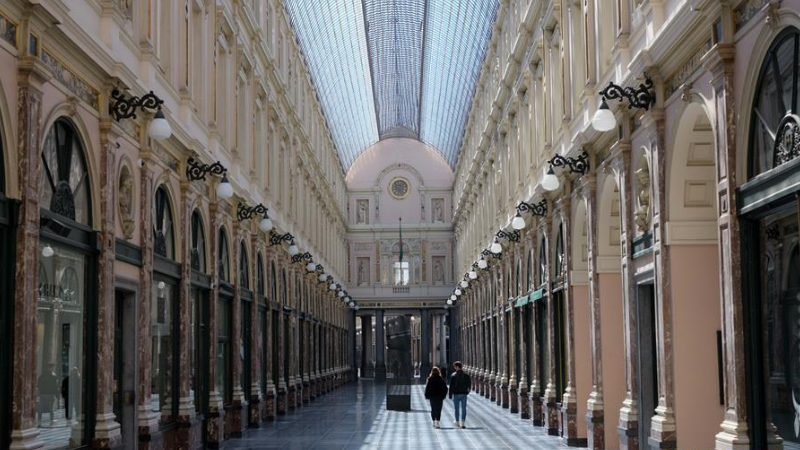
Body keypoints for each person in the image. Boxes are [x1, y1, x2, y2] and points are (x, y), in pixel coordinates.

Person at [448, 361, 471, 429]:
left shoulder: (453, 375)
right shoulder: (466, 375)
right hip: (464, 394)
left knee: (456, 409)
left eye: (455, 367)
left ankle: (457, 422)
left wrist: (450, 394)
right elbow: (469, 385)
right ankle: (463, 422)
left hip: (456, 394)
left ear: (457, 367)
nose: (454, 368)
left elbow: (451, 386)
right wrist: (467, 392)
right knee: (464, 408)